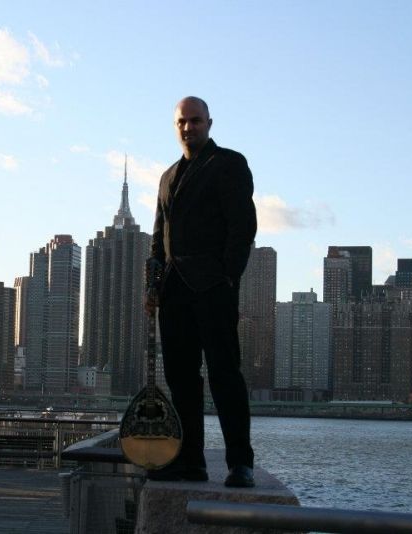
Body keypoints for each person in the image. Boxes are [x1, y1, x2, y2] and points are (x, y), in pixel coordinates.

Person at [145, 96, 257, 487]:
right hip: (174, 292)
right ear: (175, 126)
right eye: (182, 121)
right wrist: (152, 287)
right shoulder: (166, 177)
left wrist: (228, 278)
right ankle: (189, 461)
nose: (188, 127)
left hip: (213, 288)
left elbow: (243, 227)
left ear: (209, 123)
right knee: (181, 380)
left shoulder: (229, 163)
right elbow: (158, 240)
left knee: (225, 375)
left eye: (195, 121)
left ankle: (240, 463)